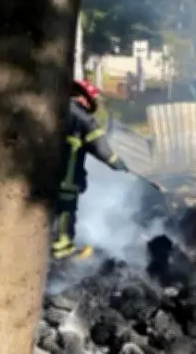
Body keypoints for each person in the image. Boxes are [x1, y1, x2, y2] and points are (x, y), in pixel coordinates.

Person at [52, 80, 129, 260]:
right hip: (68, 175)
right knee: (66, 209)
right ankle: (61, 247)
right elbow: (102, 150)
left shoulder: (55, 109)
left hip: (44, 172)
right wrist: (120, 166)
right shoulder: (84, 118)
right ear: (84, 98)